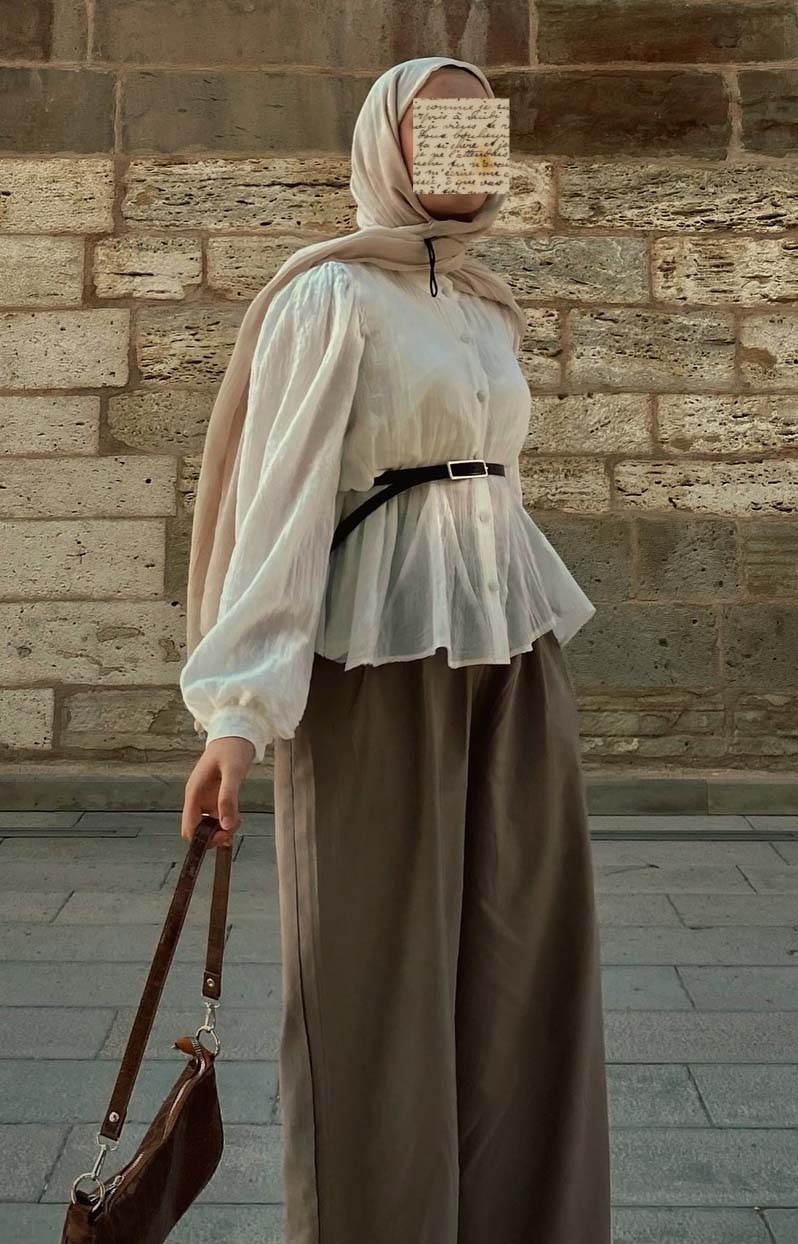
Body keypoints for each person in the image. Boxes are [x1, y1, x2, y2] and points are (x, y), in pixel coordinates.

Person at [179, 54, 610, 1244]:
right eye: (439, 129)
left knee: (524, 972)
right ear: (386, 146)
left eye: (484, 128)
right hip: (372, 665)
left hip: (511, 656)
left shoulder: (482, 303)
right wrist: (236, 717)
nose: (469, 149)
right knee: (374, 982)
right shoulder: (328, 296)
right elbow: (278, 510)